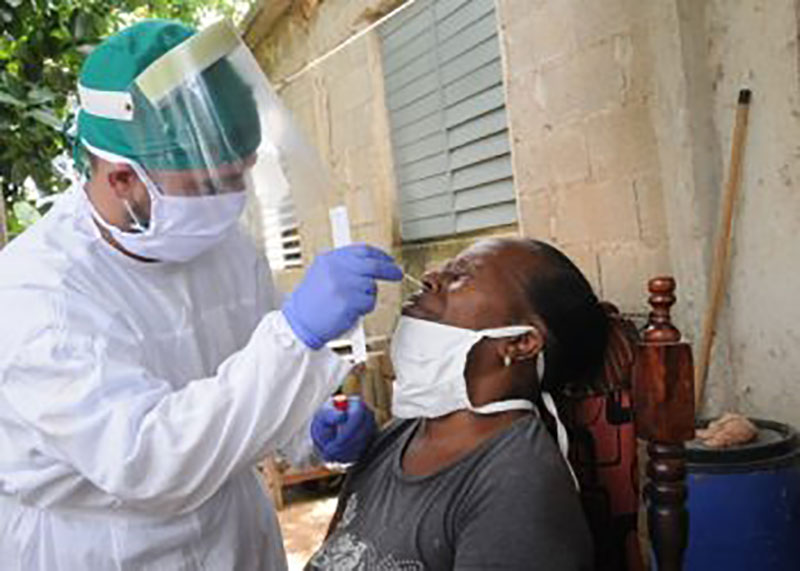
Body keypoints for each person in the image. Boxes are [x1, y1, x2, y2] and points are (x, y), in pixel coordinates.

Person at [0, 19, 397, 570]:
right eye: (211, 184)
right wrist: (294, 336)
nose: (232, 200)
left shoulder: (222, 248)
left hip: (234, 535)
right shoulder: (37, 295)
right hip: (102, 548)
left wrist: (309, 429)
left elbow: (249, 387)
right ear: (122, 179)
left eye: (241, 175)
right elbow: (146, 461)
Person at [307, 238, 610, 570]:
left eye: (460, 276)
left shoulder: (518, 491)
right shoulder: (396, 436)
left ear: (520, 342)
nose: (429, 278)